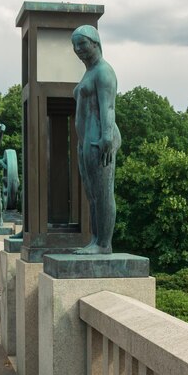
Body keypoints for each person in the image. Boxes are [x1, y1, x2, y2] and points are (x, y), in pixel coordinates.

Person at [71, 25, 121, 254]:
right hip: (86, 142)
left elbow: (108, 107)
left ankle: (104, 244)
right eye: (75, 45)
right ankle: (95, 239)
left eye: (82, 44)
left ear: (95, 43)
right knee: (92, 195)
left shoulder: (103, 71)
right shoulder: (89, 72)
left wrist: (107, 138)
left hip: (100, 141)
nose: (78, 49)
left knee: (103, 193)